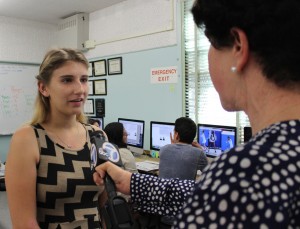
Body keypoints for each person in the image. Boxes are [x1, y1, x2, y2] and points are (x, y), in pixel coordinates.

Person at [93, 0, 300, 228]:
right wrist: (134, 182)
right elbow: (201, 190)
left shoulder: (243, 171)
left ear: (239, 48)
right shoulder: (254, 173)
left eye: (210, 43)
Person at [5, 48, 107, 228]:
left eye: (83, 80)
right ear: (43, 88)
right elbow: (24, 223)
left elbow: (104, 207)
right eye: (67, 80)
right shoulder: (28, 138)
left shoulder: (97, 136)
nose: (79, 89)